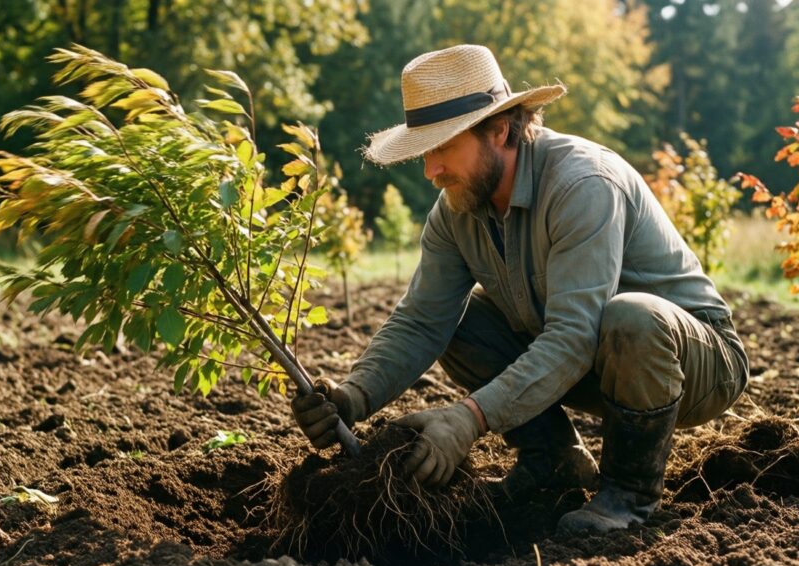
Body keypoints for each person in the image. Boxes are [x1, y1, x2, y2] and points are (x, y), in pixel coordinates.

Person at [291, 44, 749, 534]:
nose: (431, 171)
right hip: (594, 362)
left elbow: (575, 335)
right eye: (425, 153)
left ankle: (629, 493)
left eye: (444, 147)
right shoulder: (456, 211)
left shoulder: (582, 184)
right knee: (460, 320)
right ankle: (553, 461)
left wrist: (468, 418)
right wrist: (353, 398)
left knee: (630, 316)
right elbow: (422, 320)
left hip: (691, 362)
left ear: (500, 130)